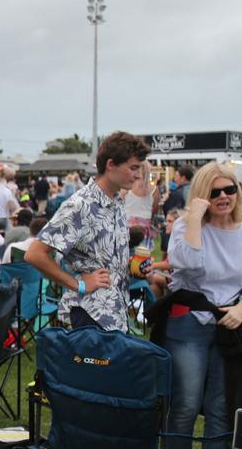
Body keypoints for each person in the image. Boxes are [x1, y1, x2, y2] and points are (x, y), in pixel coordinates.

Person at [162, 162, 242, 449]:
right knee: (185, 404)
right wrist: (195, 218)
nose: (223, 196)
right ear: (201, 195)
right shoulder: (187, 227)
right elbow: (189, 264)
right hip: (189, 324)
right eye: (214, 191)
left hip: (230, 326)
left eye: (229, 189)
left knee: (221, 407)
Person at [26, 131, 151, 333]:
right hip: (90, 314)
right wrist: (79, 285)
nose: (138, 175)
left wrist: (133, 267)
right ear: (111, 165)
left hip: (114, 312)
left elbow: (104, 257)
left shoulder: (116, 201)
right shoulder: (80, 205)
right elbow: (34, 254)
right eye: (134, 168)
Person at [123, 161, 161, 242]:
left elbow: (120, 206)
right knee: (143, 253)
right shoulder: (154, 189)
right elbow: (155, 209)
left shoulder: (126, 187)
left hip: (127, 225)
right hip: (144, 226)